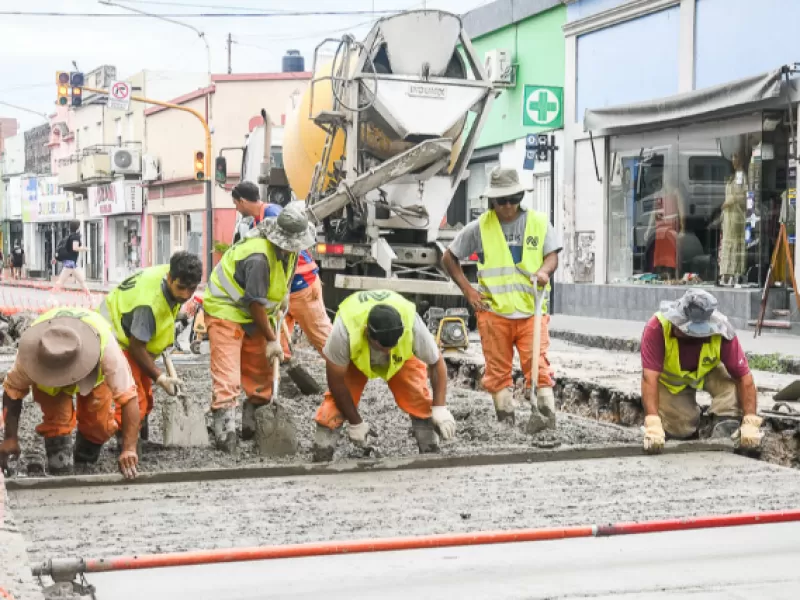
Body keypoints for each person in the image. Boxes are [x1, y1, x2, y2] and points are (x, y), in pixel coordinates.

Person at [442, 167, 562, 427]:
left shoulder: (539, 223)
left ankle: (546, 420)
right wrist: (468, 291)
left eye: (513, 199)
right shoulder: (480, 228)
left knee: (539, 369)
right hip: (494, 313)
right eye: (501, 201)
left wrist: (544, 271)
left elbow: (552, 255)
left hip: (531, 312)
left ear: (521, 195)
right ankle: (506, 422)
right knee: (497, 373)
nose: (508, 206)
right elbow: (448, 257)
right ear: (492, 201)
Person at [203, 203, 316, 453]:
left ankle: (254, 417)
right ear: (282, 239)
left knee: (260, 368)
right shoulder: (258, 257)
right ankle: (225, 432)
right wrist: (272, 338)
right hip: (226, 308)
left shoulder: (289, 249)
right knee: (228, 372)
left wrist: (283, 296)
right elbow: (254, 303)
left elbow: (277, 283)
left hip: (258, 309)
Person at [312, 289, 457, 462]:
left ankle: (430, 451)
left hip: (401, 360)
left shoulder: (412, 325)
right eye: (382, 348)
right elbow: (336, 382)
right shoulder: (344, 330)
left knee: (418, 398)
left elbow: (436, 363)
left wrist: (439, 408)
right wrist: (355, 422)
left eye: (390, 346)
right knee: (333, 409)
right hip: (355, 359)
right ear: (367, 333)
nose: (387, 352)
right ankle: (322, 453)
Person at [0, 307, 140, 479]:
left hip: (93, 372)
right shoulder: (32, 354)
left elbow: (129, 398)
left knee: (97, 424)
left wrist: (129, 449)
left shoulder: (106, 349)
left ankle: (84, 459)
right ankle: (61, 468)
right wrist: (10, 438)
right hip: (48, 375)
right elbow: (12, 391)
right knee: (57, 422)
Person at [640, 289, 763, 453]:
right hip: (671, 379)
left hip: (709, 371)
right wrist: (653, 422)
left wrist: (750, 421)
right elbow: (649, 378)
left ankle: (724, 434)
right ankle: (687, 426)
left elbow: (744, 378)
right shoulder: (657, 328)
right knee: (680, 426)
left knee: (732, 391)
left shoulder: (722, 331)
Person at [100, 251, 203, 438]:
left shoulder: (171, 273)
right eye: (181, 288)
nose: (186, 295)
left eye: (192, 289)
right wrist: (160, 377)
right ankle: (127, 443)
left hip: (134, 333)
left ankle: (140, 436)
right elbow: (136, 347)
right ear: (170, 278)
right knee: (132, 396)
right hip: (115, 336)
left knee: (146, 395)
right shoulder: (148, 306)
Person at [231, 181, 332, 356]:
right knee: (279, 346)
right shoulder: (260, 221)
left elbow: (289, 257)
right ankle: (281, 377)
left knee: (324, 340)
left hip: (302, 286)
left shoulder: (274, 216)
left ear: (242, 201)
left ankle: (346, 376)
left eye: (236, 204)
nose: (237, 209)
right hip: (285, 290)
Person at [52, 220, 91, 296]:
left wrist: (55, 258)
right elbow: (75, 248)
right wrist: (85, 249)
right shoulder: (76, 236)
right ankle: (51, 298)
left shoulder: (69, 236)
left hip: (72, 264)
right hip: (70, 264)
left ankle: (90, 297)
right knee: (60, 282)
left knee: (82, 281)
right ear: (78, 227)